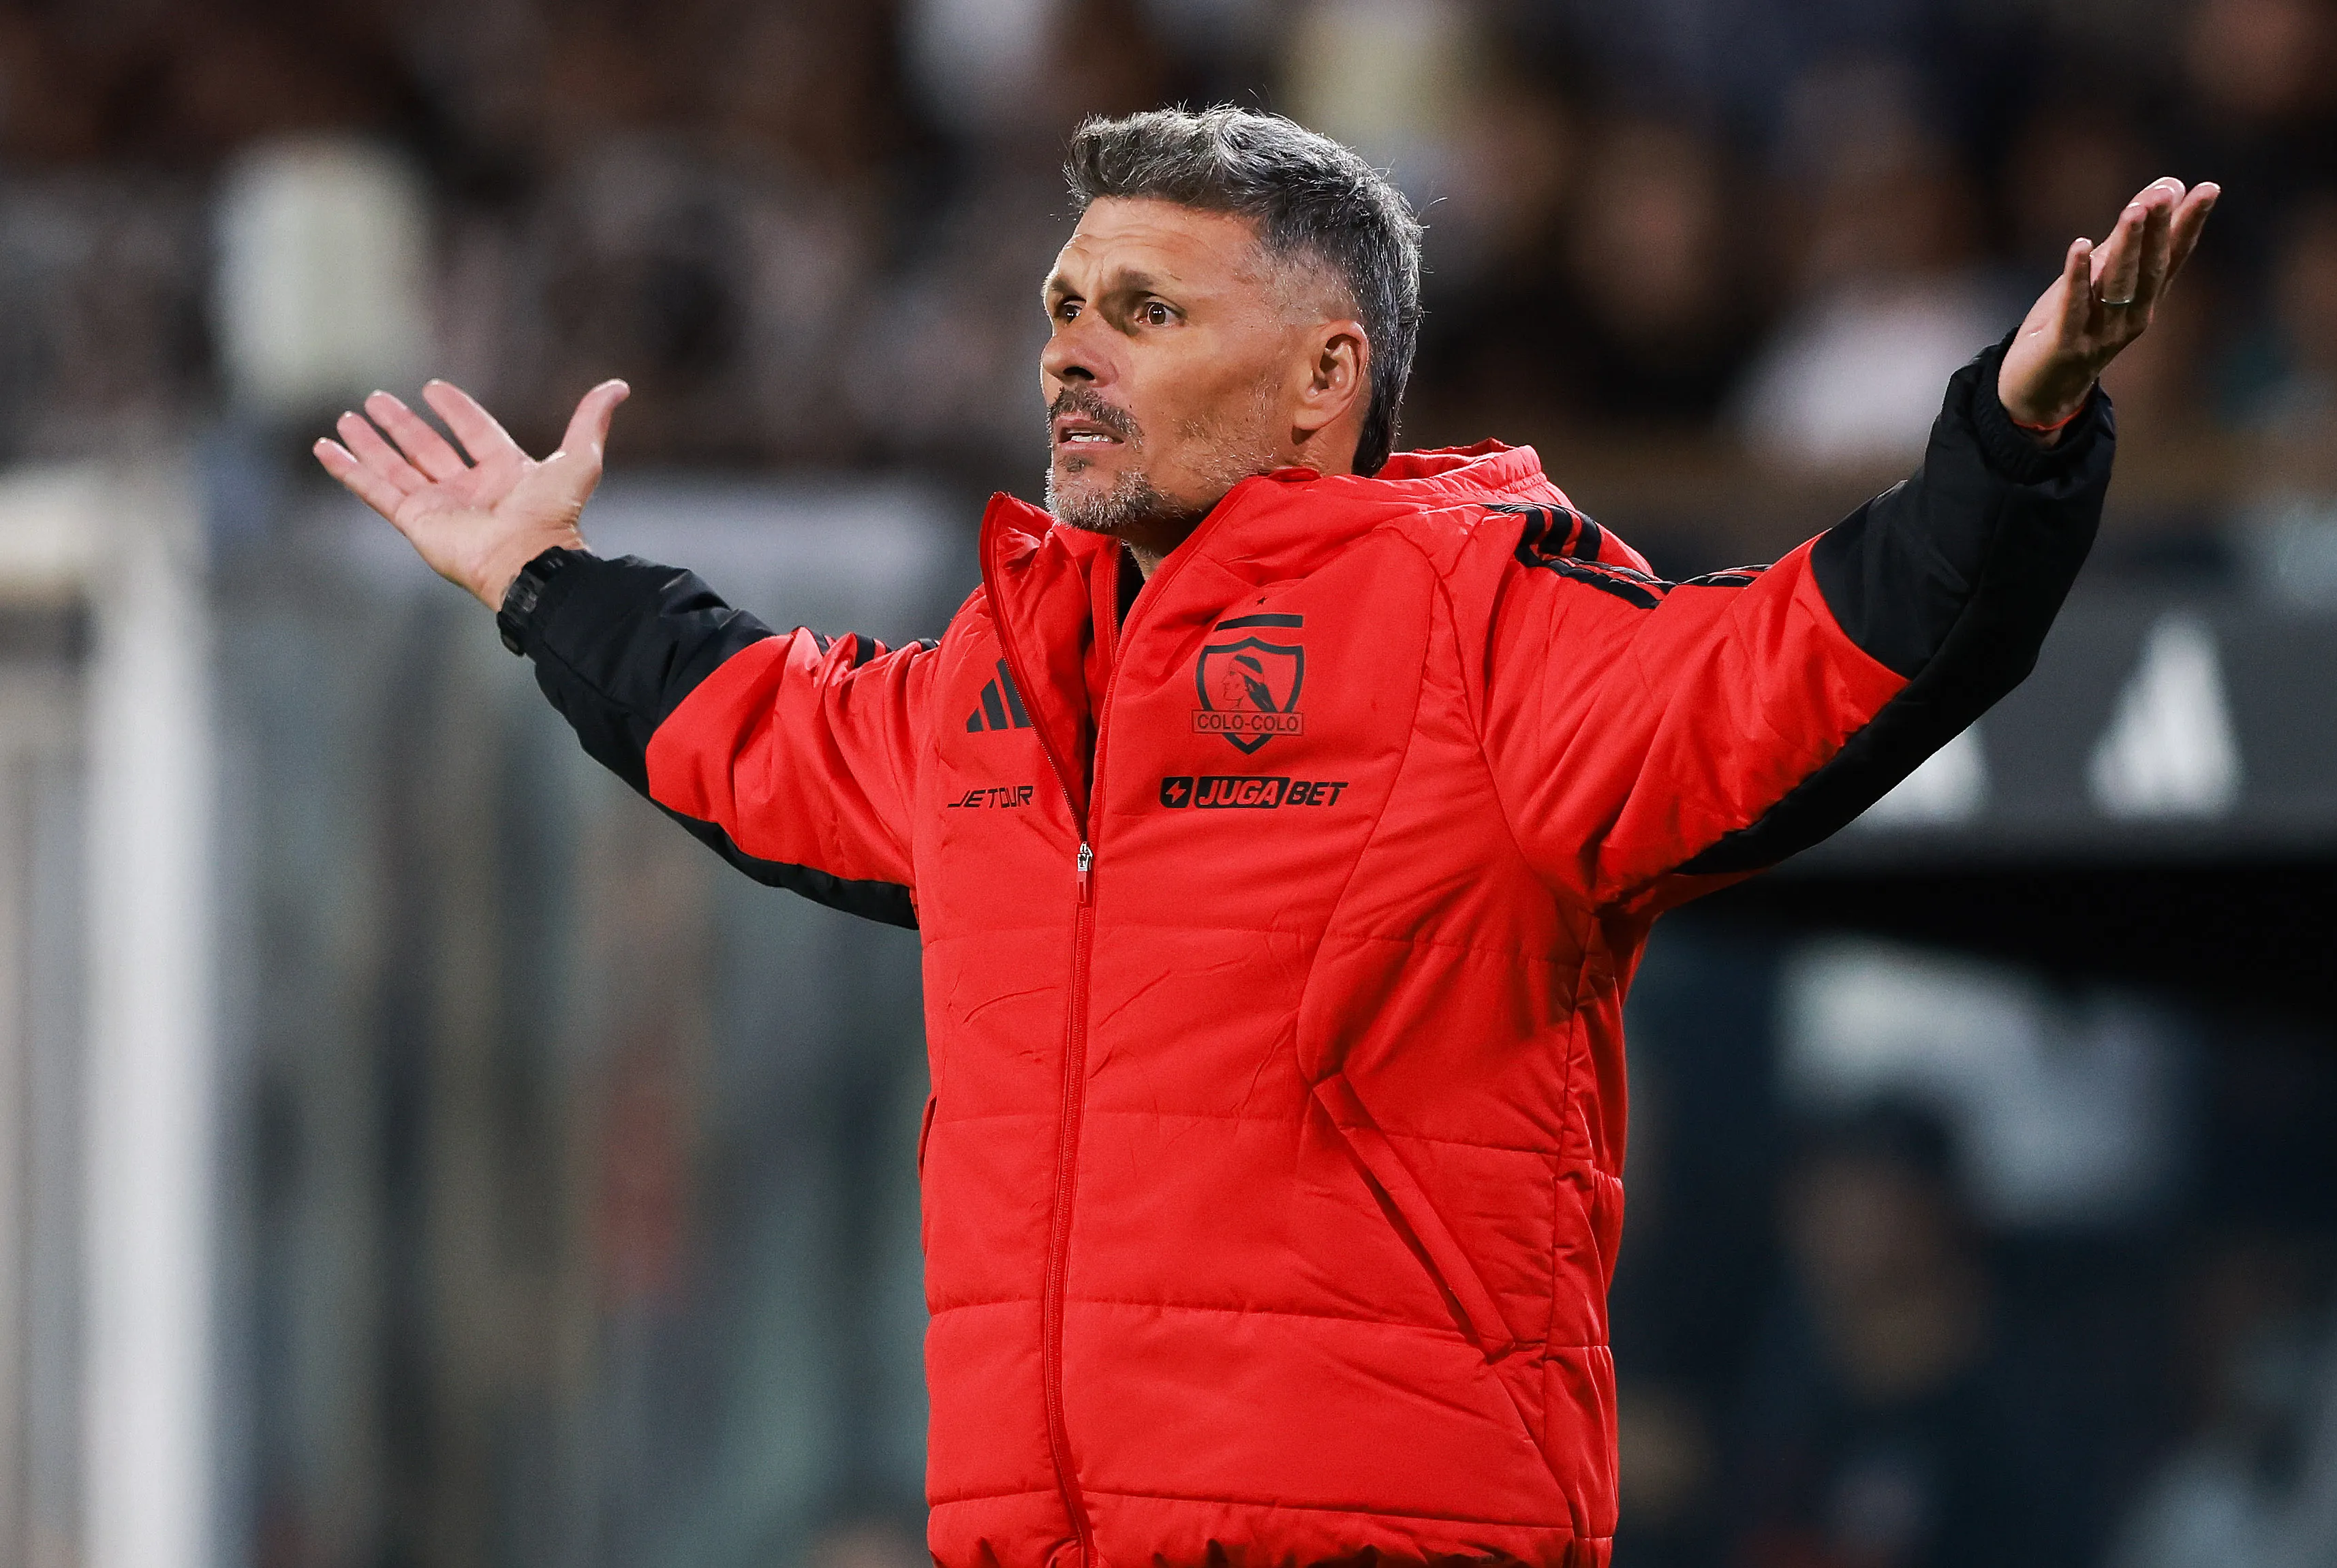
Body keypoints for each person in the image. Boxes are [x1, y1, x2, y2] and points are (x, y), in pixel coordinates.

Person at [315, 107, 2214, 1568]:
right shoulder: (1007, 672)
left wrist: (2015, 428)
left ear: (1326, 378)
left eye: (1144, 311)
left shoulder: (1481, 625)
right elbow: (772, 729)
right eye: (1064, 303)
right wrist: (546, 585)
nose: (1074, 349)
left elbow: (1793, 662)